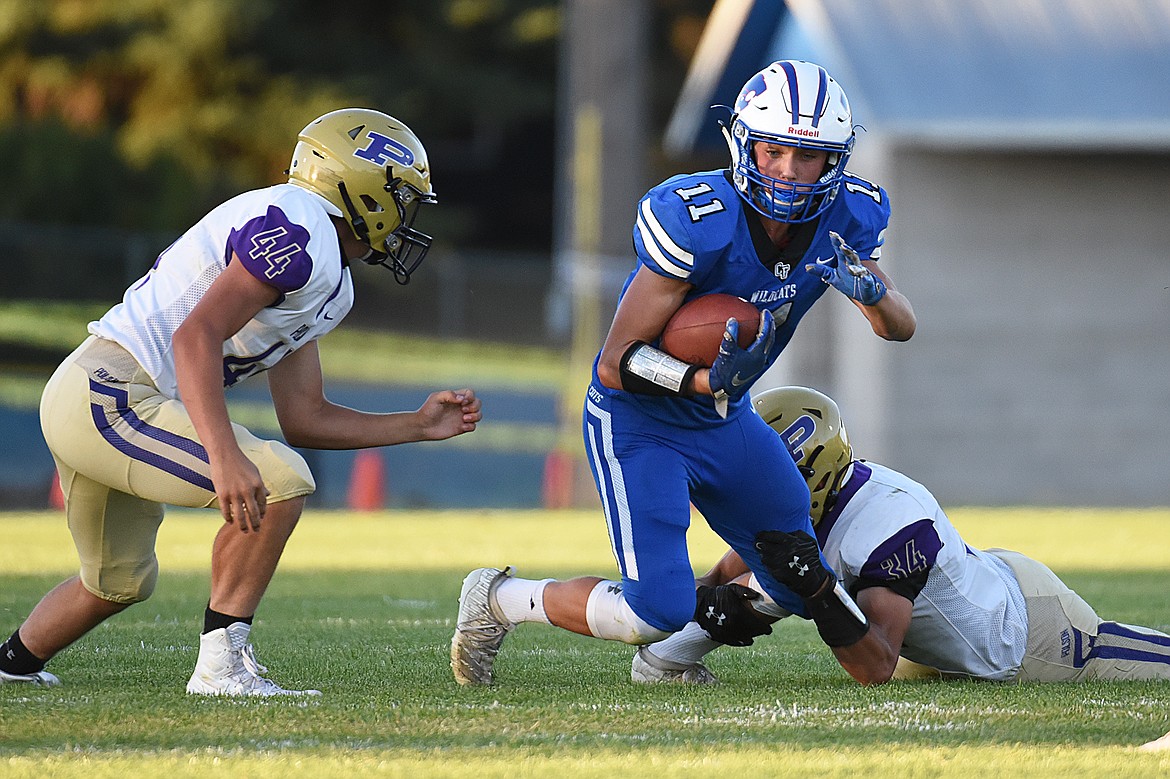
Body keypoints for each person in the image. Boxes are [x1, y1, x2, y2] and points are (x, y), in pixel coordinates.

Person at [450, 60, 916, 686]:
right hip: (640, 421)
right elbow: (616, 364)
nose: (787, 170)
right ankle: (500, 600)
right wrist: (706, 381)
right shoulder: (700, 219)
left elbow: (899, 327)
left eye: (807, 156)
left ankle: (669, 666)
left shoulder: (848, 218)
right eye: (774, 149)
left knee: (793, 570)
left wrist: (873, 293)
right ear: (744, 144)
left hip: (725, 420)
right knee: (657, 609)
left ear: (835, 159)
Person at [0, 108, 482, 696]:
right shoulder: (298, 236)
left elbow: (305, 415)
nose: (404, 217)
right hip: (111, 394)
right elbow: (194, 337)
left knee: (117, 580)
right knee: (277, 480)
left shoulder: (325, 271)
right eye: (401, 199)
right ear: (363, 189)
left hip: (100, 399)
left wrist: (416, 424)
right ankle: (221, 668)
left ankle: (11, 662)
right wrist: (225, 456)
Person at [631, 386, 1170, 687]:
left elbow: (875, 666)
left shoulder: (888, 523)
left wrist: (817, 591)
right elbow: (749, 568)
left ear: (811, 472)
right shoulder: (817, 503)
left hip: (1029, 634)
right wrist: (703, 602)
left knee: (1133, 663)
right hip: (944, 618)